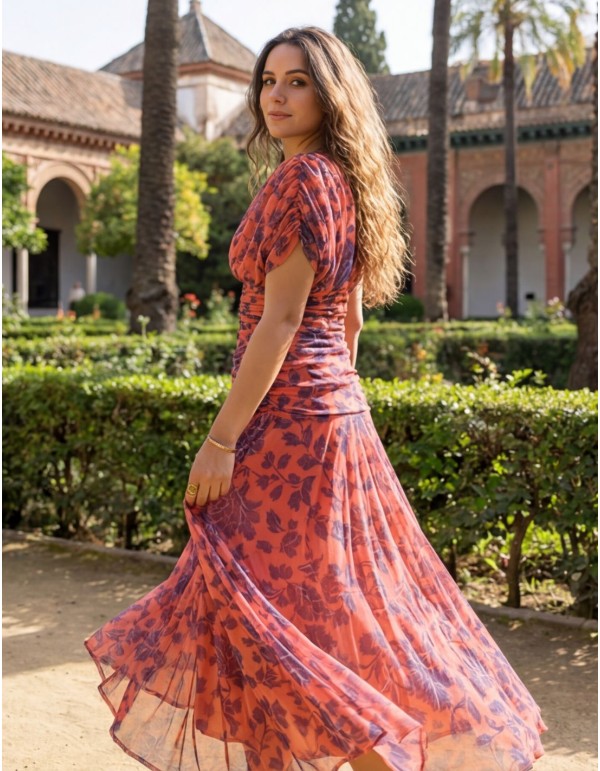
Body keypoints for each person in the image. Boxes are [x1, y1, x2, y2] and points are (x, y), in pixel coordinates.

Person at [84, 27, 547, 771]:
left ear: (328, 92)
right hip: (332, 414)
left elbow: (283, 319)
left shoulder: (302, 182)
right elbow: (351, 322)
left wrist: (224, 438)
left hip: (289, 423)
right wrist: (335, 403)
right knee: (319, 608)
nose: (276, 94)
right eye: (269, 80)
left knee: (263, 610)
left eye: (296, 81)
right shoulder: (345, 179)